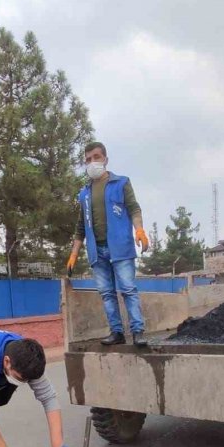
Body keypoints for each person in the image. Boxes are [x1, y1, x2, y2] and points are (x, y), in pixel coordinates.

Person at [67, 141, 149, 347]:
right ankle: (116, 332)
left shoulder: (121, 183)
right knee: (106, 294)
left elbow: (134, 208)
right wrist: (74, 254)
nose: (92, 162)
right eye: (88, 159)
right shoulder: (84, 194)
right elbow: (80, 227)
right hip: (97, 251)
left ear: (105, 159)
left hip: (120, 247)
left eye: (96, 157)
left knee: (128, 289)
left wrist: (139, 230)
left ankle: (138, 331)